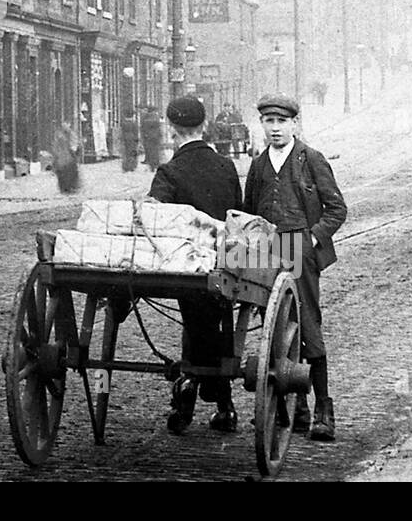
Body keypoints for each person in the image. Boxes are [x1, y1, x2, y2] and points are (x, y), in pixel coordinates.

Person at [243, 94, 347, 441]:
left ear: (294, 124)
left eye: (281, 122)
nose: (274, 129)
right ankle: (297, 407)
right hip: (267, 253)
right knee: (275, 329)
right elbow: (248, 214)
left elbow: (337, 208)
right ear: (262, 125)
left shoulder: (311, 159)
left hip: (299, 250)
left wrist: (312, 239)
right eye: (268, 122)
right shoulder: (258, 166)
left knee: (308, 326)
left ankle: (323, 409)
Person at [147, 96, 245, 434]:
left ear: (173, 130)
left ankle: (191, 386)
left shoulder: (169, 172)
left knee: (194, 316)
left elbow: (155, 220)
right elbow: (238, 214)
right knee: (216, 319)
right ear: (204, 127)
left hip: (185, 265)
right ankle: (221, 400)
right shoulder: (226, 167)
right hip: (225, 266)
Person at [52, 122, 81, 193]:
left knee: (64, 177)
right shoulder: (69, 134)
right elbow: (75, 147)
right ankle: (70, 188)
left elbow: (55, 149)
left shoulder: (62, 135)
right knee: (68, 176)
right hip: (67, 161)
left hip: (63, 162)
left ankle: (67, 188)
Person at [139, 106, 164, 170]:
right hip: (155, 136)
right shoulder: (156, 118)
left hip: (148, 136)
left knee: (148, 149)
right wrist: (160, 135)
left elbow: (143, 128)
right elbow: (159, 128)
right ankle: (156, 162)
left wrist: (144, 135)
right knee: (155, 149)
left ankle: (149, 161)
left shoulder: (146, 118)